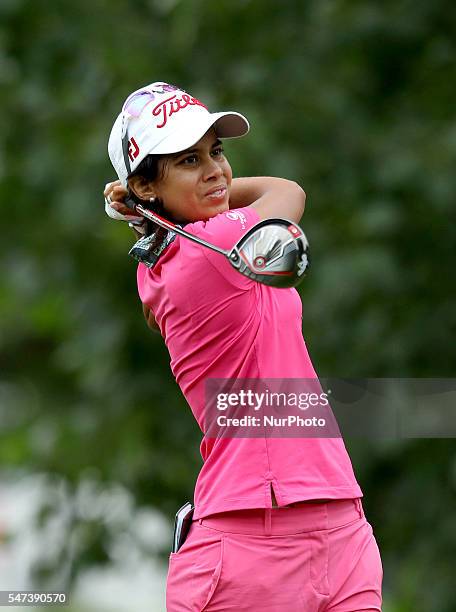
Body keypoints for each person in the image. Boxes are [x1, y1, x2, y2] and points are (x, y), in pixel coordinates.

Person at [105, 81, 383, 611]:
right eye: (189, 160)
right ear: (145, 185)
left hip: (339, 525)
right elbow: (286, 192)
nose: (215, 171)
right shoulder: (204, 254)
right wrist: (145, 207)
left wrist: (148, 205)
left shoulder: (198, 243)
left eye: (217, 152)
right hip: (249, 544)